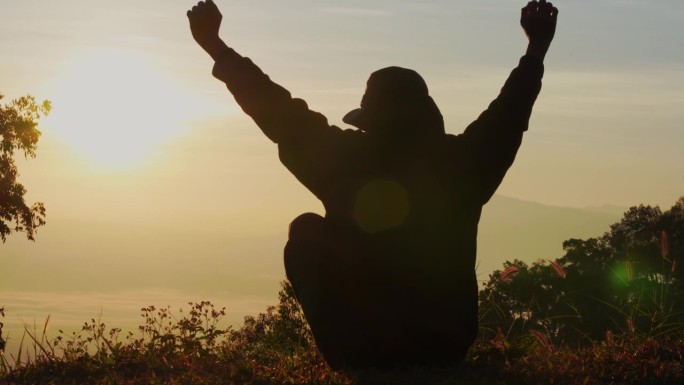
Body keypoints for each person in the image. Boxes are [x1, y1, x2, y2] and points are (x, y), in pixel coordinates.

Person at [188, 0, 558, 369]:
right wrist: (536, 48)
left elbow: (277, 110)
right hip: (443, 347)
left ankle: (350, 358)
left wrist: (215, 46)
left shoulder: (344, 157)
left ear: (370, 119)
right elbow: (510, 113)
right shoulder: (462, 161)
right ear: (428, 116)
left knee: (305, 230)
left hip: (364, 351)